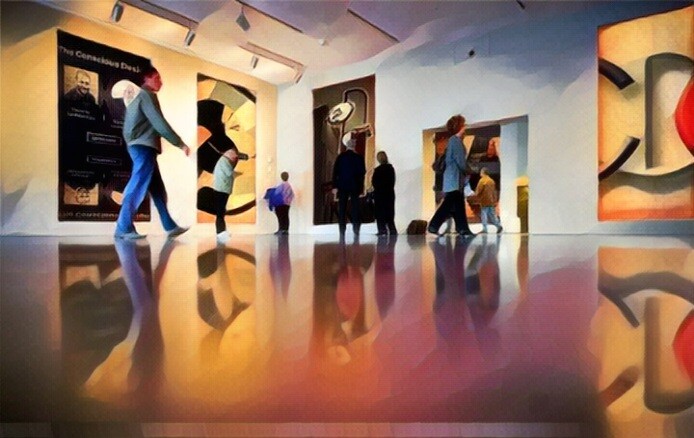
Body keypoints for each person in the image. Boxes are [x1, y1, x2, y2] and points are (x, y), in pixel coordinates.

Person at [114, 65, 191, 240]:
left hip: (140, 145)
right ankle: (123, 227)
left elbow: (131, 129)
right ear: (146, 79)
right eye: (157, 78)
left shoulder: (137, 98)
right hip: (144, 146)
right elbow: (159, 123)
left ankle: (170, 226)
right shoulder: (146, 95)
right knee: (138, 184)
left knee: (157, 188)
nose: (160, 82)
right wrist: (180, 143)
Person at [427, 114, 474, 236]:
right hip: (454, 178)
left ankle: (462, 228)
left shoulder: (453, 141)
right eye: (463, 125)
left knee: (457, 204)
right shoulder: (455, 141)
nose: (465, 127)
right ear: (460, 126)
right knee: (449, 203)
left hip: (452, 178)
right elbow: (460, 161)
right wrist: (470, 170)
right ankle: (433, 225)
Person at [332, 131, 366, 236]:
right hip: (354, 185)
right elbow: (362, 172)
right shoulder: (359, 158)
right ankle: (356, 229)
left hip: (342, 185)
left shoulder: (341, 157)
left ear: (346, 146)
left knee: (342, 208)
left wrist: (335, 186)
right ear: (354, 146)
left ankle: (342, 230)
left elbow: (335, 172)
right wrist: (360, 185)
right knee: (355, 208)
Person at [212, 149, 239, 244]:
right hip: (221, 190)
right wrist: (238, 173)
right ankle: (220, 233)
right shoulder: (224, 161)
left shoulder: (223, 160)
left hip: (222, 189)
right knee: (220, 212)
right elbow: (229, 173)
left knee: (221, 211)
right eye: (234, 157)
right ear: (230, 155)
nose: (235, 159)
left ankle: (222, 232)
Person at [371, 151, 397, 235]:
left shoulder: (378, 170)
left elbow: (374, 183)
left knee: (380, 213)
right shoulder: (391, 169)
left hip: (379, 195)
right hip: (389, 194)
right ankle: (392, 229)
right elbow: (392, 182)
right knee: (390, 213)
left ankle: (382, 230)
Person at [474, 167, 503, 233]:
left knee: (484, 215)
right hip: (491, 201)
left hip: (484, 200)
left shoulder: (482, 181)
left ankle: (485, 229)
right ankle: (498, 226)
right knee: (492, 215)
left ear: (483, 172)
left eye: (481, 172)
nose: (480, 173)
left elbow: (478, 191)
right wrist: (495, 200)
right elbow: (494, 191)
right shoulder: (491, 181)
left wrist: (475, 195)